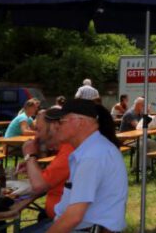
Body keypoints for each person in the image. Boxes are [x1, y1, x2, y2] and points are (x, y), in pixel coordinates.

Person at [44, 99, 127, 233]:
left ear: (80, 122)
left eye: (61, 121)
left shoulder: (92, 156)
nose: (56, 126)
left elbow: (73, 217)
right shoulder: (92, 149)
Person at [18, 110, 74, 233]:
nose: (36, 137)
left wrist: (30, 156)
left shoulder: (70, 150)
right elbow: (51, 177)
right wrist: (33, 167)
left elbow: (39, 186)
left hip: (70, 224)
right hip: (64, 218)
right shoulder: (68, 147)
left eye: (38, 130)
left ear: (55, 126)